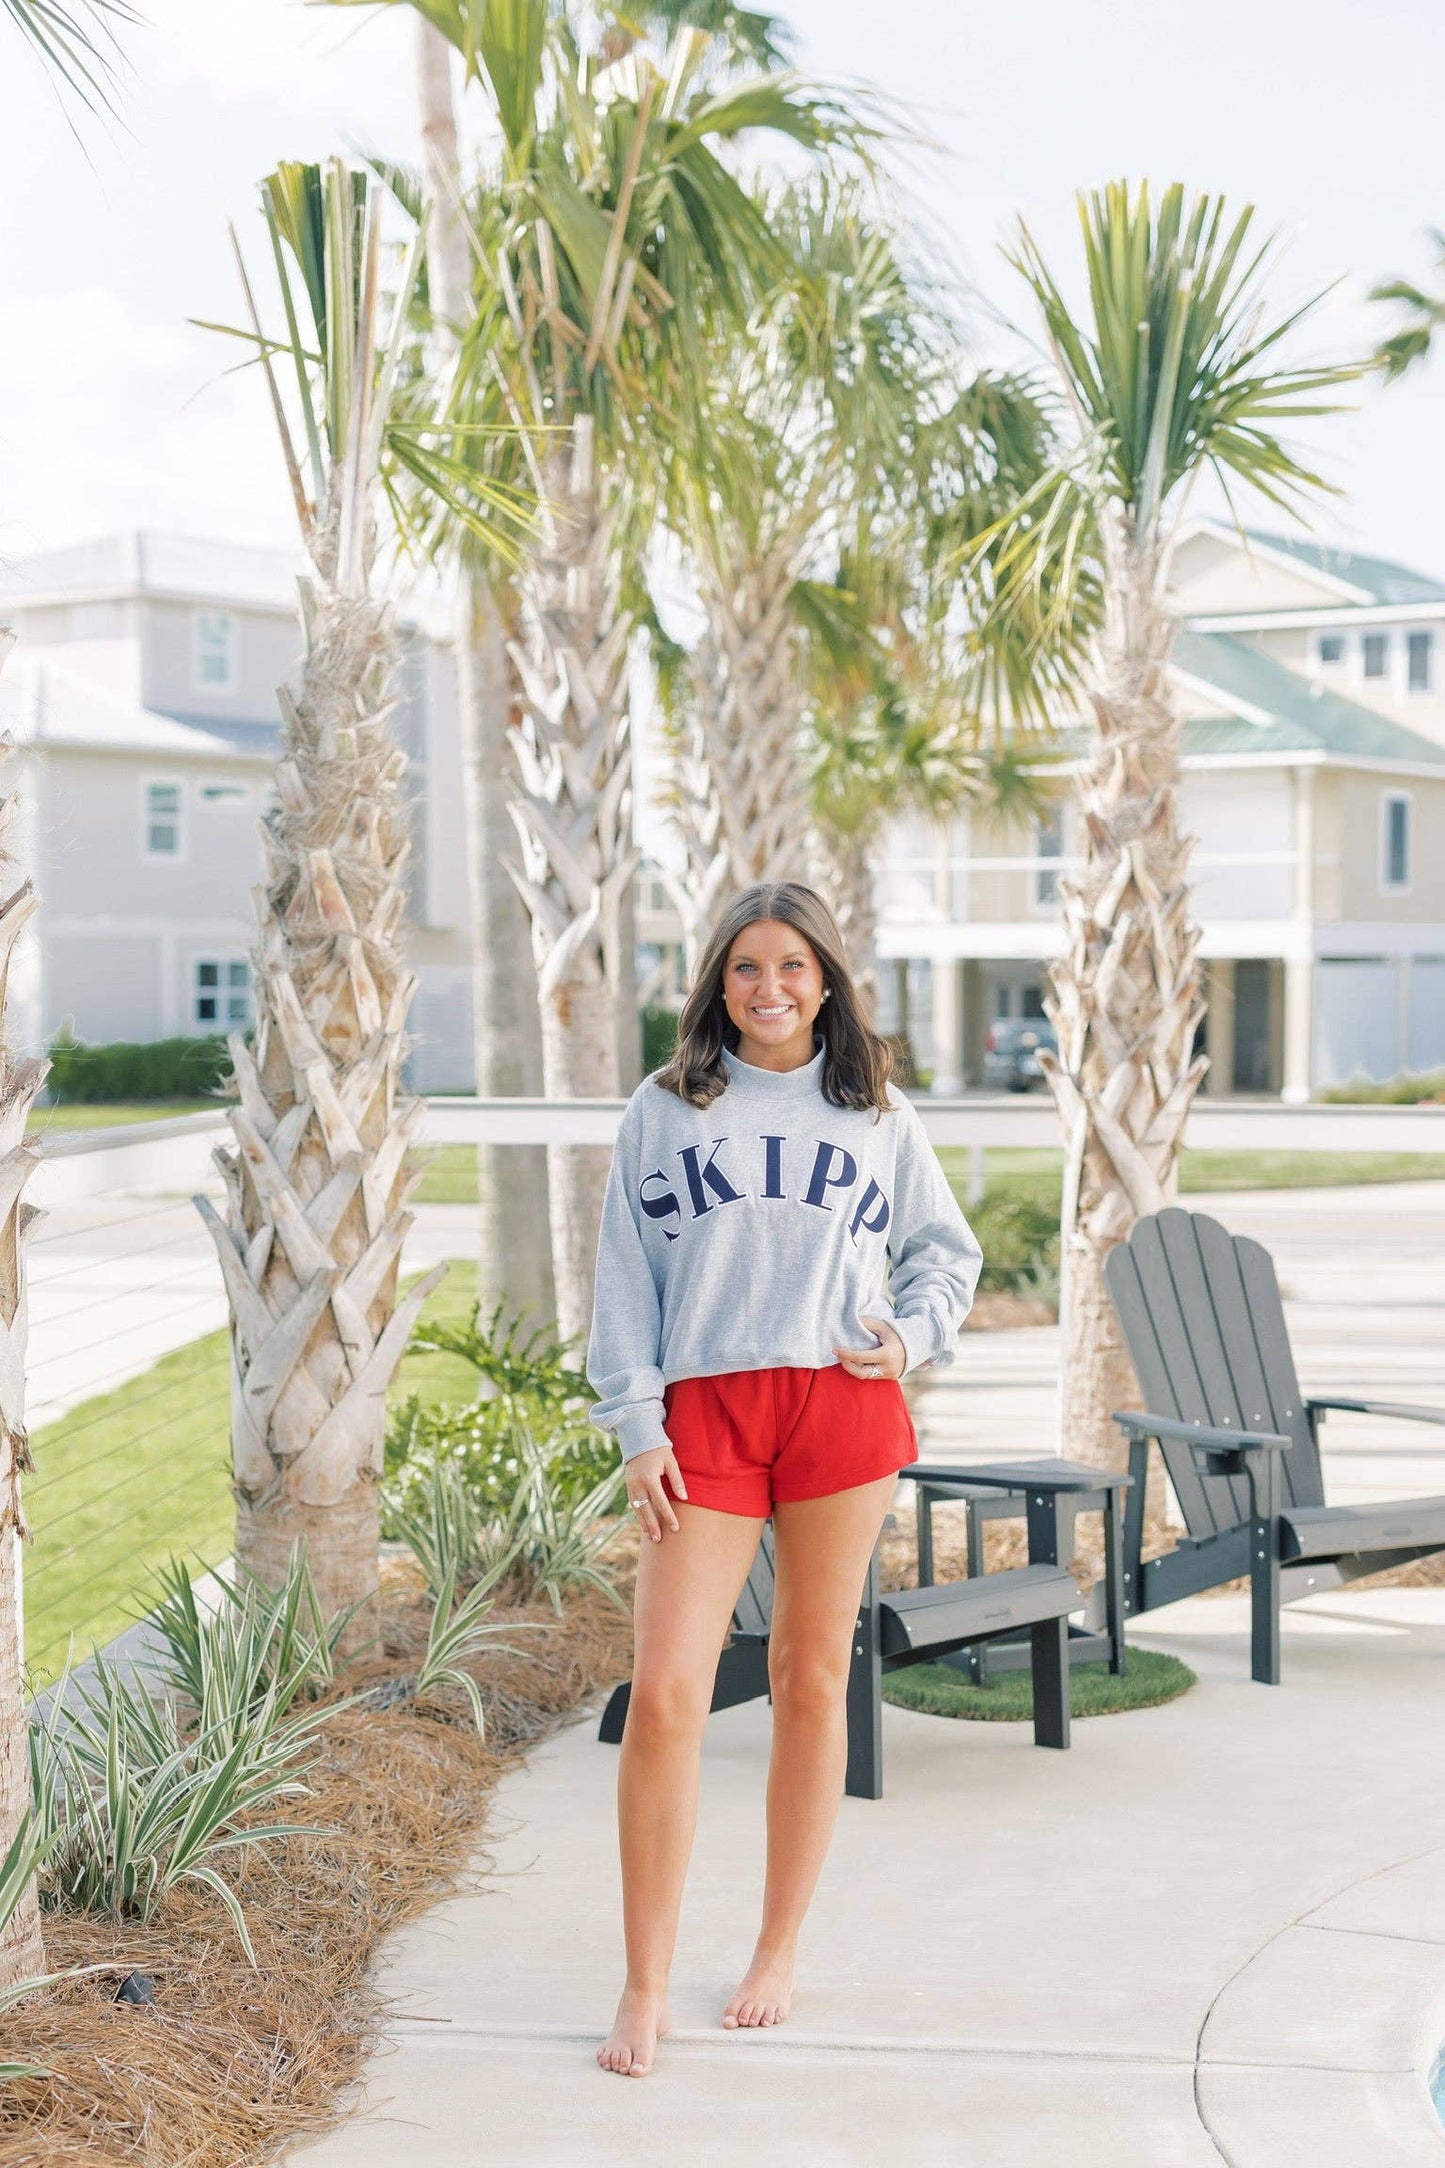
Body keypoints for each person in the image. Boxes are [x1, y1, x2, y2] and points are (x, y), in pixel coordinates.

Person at [586, 880, 982, 2078]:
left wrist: (907, 1342)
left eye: (792, 967)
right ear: (718, 982)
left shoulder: (873, 1114)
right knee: (666, 1694)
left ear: (826, 981)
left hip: (835, 1401)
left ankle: (773, 1950)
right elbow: (618, 1274)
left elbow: (942, 1254)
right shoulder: (665, 1108)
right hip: (703, 1409)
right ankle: (643, 1981)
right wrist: (635, 1423)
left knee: (811, 1678)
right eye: (746, 968)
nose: (768, 989)